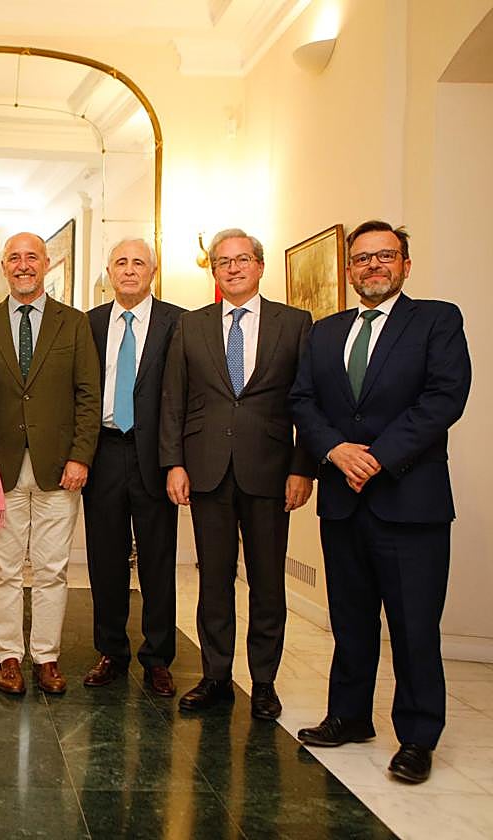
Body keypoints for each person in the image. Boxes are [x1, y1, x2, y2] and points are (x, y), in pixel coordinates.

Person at [289, 221, 470, 784]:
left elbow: (444, 397)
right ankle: (348, 715)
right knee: (351, 617)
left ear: (405, 265)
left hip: (409, 501)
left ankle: (418, 736)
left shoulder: (436, 320)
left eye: (384, 256)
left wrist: (378, 456)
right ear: (349, 270)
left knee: (415, 624)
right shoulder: (324, 332)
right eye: (362, 259)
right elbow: (303, 400)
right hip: (344, 501)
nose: (373, 266)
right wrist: (337, 450)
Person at [159, 227, 315, 720]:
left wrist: (303, 468)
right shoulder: (192, 325)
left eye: (241, 259)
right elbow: (173, 400)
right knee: (214, 580)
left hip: (270, 472)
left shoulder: (295, 324)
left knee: (268, 581)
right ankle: (216, 676)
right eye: (222, 261)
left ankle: (264, 682)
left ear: (260, 266)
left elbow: (309, 402)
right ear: (215, 270)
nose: (232, 267)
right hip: (206, 470)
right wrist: (174, 463)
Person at [0, 233, 100, 696]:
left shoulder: (74, 324)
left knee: (52, 568)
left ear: (47, 264)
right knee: (1, 568)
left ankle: (46, 657)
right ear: (3, 266)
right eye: (14, 258)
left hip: (59, 469)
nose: (23, 265)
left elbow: (89, 395)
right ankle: (7, 656)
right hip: (0, 470)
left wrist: (81, 456)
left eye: (32, 257)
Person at [82, 239, 185, 697]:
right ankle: (111, 651)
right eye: (120, 262)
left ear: (153, 271)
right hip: (103, 452)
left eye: (138, 262)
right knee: (105, 558)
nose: (129, 270)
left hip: (155, 456)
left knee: (158, 559)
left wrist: (176, 461)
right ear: (109, 271)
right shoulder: (91, 324)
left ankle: (158, 657)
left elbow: (185, 397)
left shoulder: (178, 322)